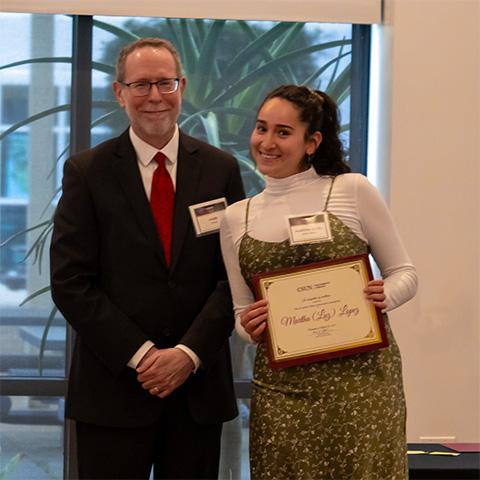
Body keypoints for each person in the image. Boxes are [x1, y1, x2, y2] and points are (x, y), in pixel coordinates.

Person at [50, 37, 244, 480]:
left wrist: (187, 354)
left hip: (197, 392)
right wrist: (143, 356)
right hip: (115, 391)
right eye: (141, 85)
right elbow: (70, 281)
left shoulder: (220, 169)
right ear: (120, 93)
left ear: (183, 86)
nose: (155, 96)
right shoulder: (88, 172)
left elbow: (231, 276)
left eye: (165, 83)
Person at [220, 85, 418, 480]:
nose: (267, 142)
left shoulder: (351, 189)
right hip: (282, 392)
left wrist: (386, 294)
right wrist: (250, 327)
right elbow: (241, 315)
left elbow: (406, 275)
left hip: (360, 387)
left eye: (283, 132)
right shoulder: (235, 218)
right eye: (262, 129)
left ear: (312, 142)